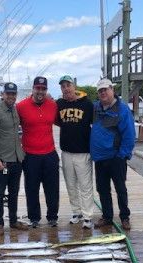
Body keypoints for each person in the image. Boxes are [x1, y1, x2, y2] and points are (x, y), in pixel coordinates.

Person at [0, 82, 28, 235]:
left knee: (14, 192)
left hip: (16, 159)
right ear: (3, 94)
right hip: (2, 162)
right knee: (0, 193)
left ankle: (13, 221)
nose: (11, 96)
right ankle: (0, 223)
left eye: (13, 94)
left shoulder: (14, 110)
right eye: (8, 93)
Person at [90, 78, 136, 231]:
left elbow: (129, 135)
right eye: (100, 91)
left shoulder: (122, 110)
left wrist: (122, 155)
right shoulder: (96, 108)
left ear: (112, 90)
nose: (103, 93)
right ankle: (107, 217)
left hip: (116, 157)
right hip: (100, 158)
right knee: (102, 189)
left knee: (120, 188)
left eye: (106, 89)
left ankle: (125, 217)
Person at [16, 76, 59, 228]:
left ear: (46, 90)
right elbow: (11, 128)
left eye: (43, 89)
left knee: (52, 188)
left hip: (50, 153)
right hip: (30, 155)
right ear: (33, 89)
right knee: (32, 188)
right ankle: (34, 218)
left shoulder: (53, 105)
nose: (40, 91)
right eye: (37, 88)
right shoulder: (21, 106)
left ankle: (52, 217)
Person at [56, 75, 94, 229]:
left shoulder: (87, 104)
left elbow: (95, 124)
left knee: (85, 185)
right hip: (66, 152)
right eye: (63, 86)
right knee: (71, 185)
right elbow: (57, 122)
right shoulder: (59, 104)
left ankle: (88, 216)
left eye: (68, 85)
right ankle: (76, 212)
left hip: (83, 152)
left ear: (74, 86)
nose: (66, 89)